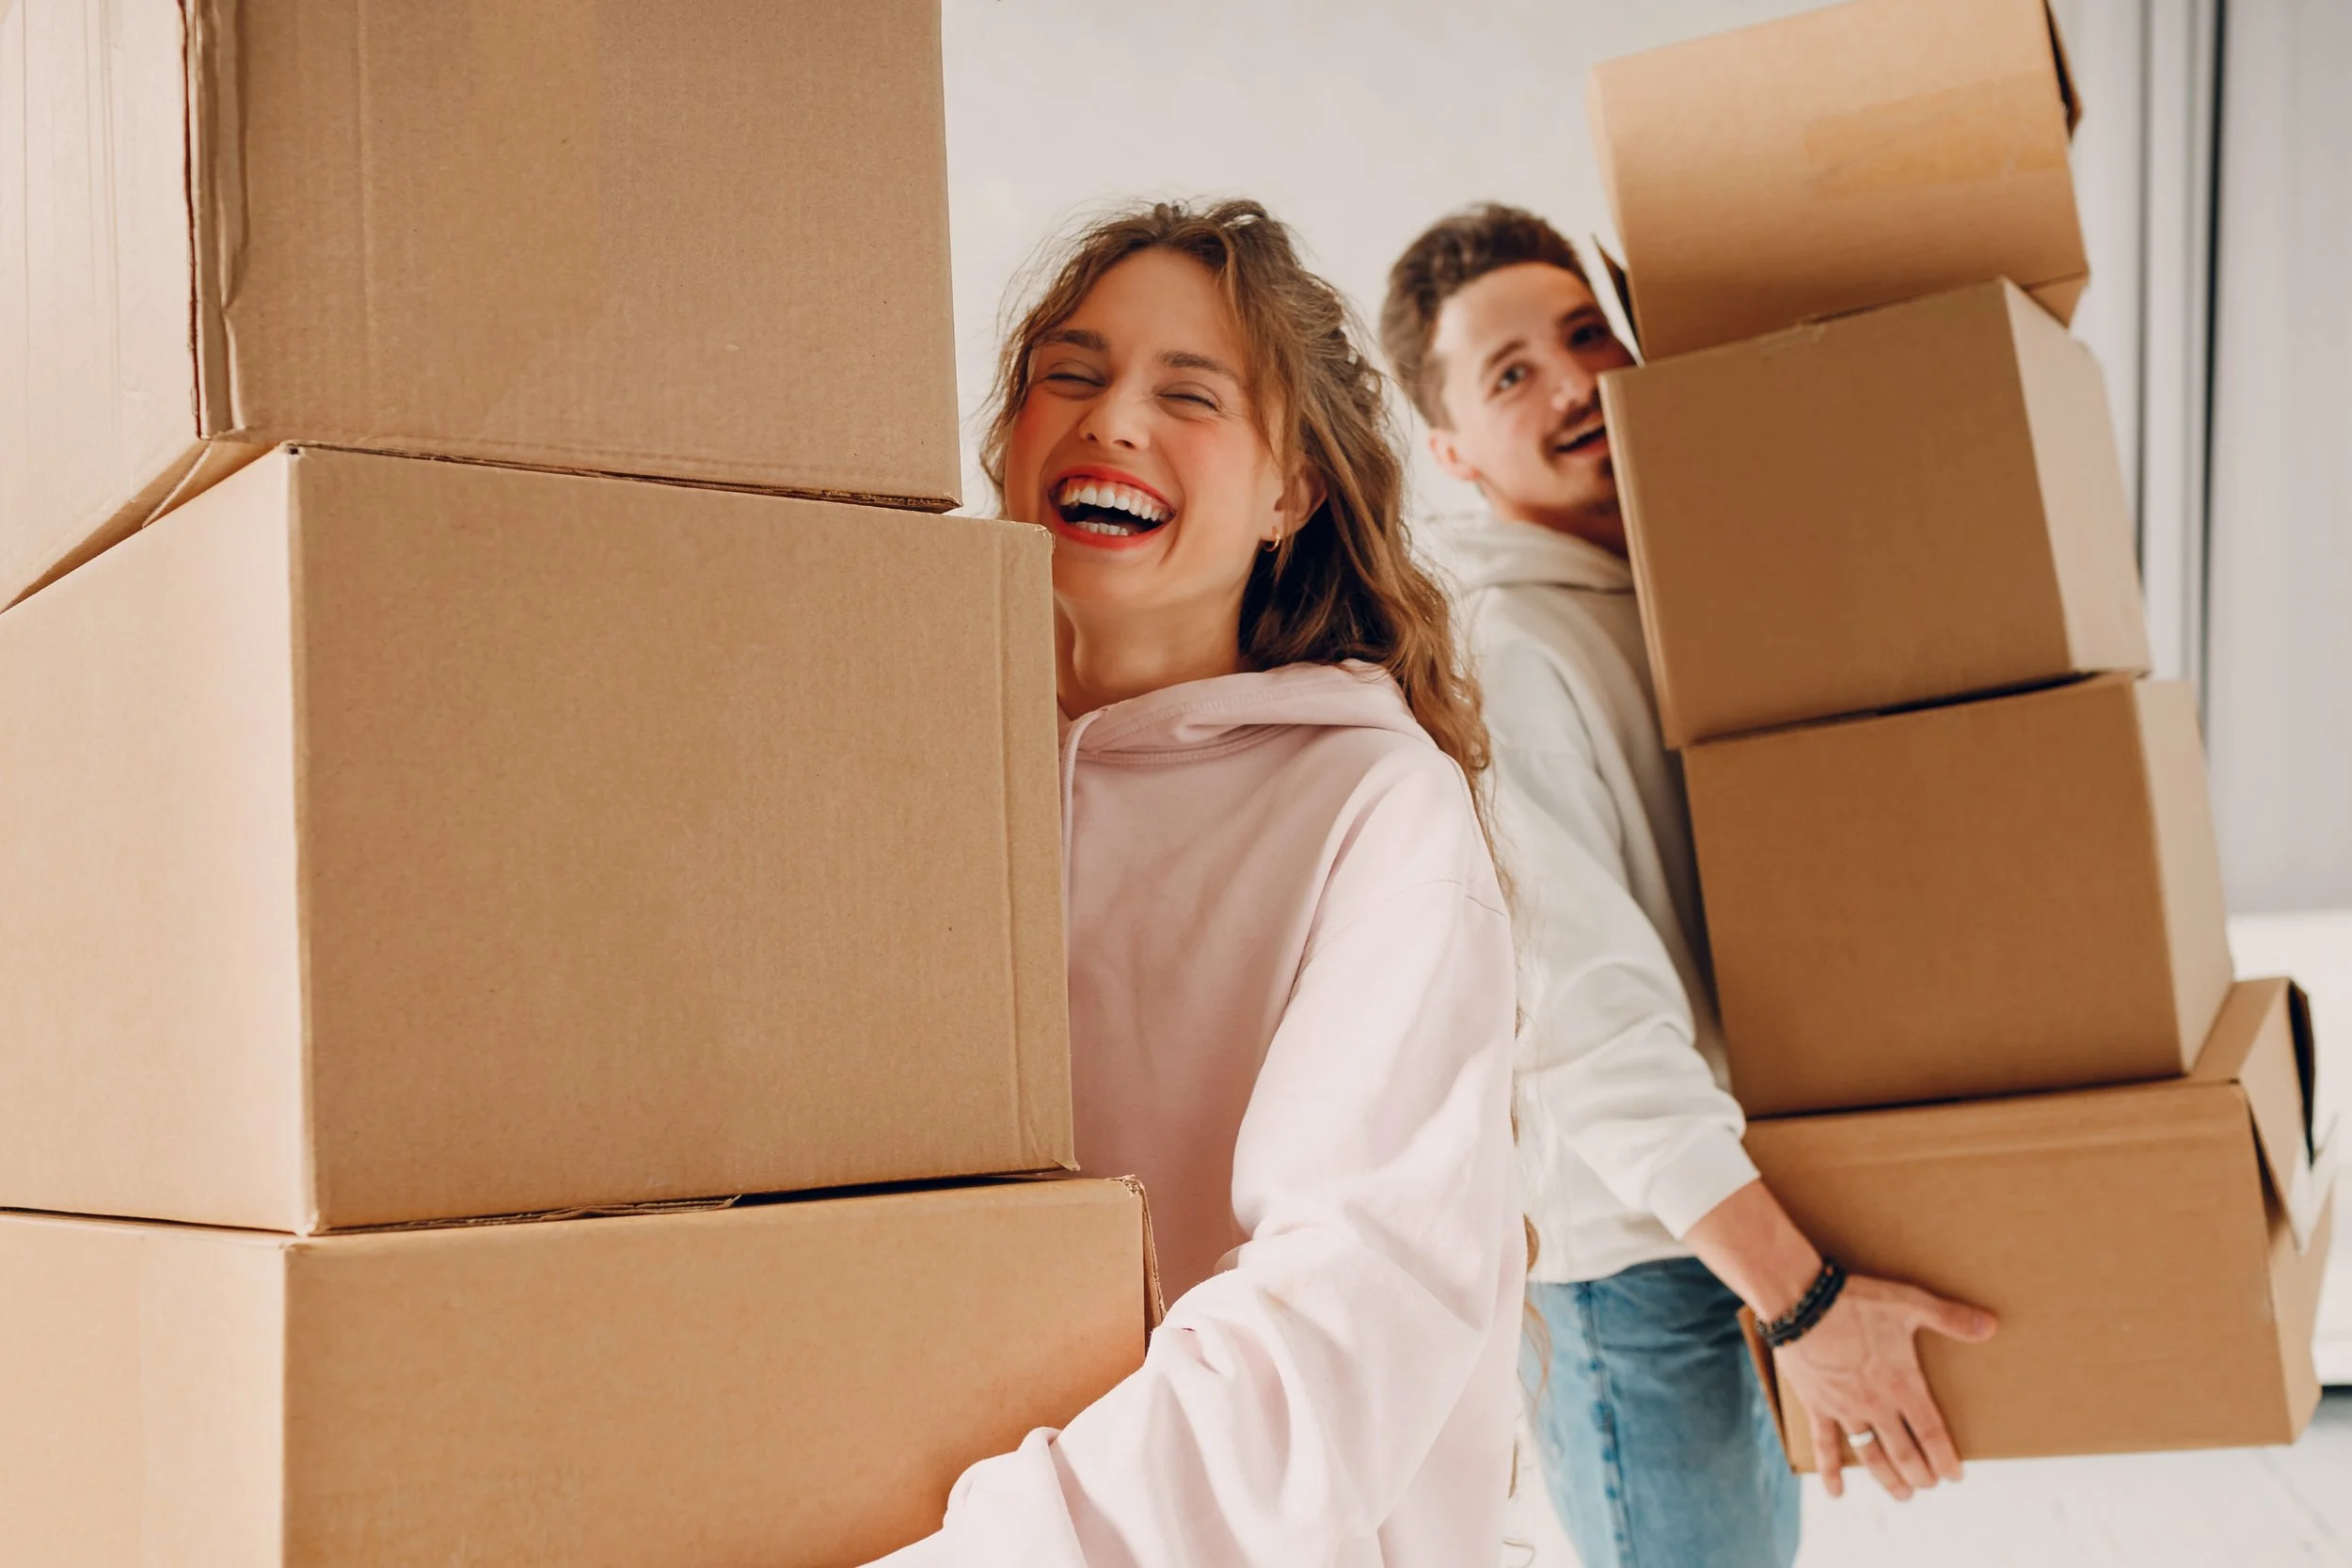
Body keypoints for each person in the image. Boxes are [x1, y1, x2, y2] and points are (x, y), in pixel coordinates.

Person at [868, 199, 1522, 1566]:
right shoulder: (892, 779)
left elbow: (1343, 1314)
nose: (1114, 420)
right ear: (1008, 440)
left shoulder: (1374, 811)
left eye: (1190, 393)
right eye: (1073, 373)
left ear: (1294, 492)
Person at [1378, 204, 1998, 1568]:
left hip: (1733, 1215)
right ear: (1450, 453)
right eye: (1509, 374)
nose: (1573, 383)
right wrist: (1803, 1300)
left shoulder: (1690, 596)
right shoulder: (1505, 652)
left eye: (1586, 333)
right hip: (1637, 1265)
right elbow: (1586, 1021)